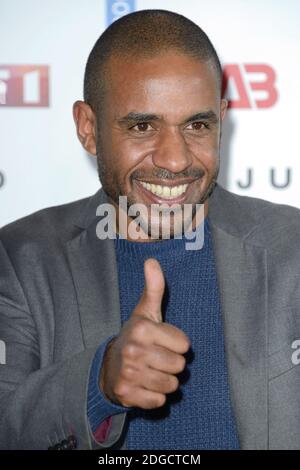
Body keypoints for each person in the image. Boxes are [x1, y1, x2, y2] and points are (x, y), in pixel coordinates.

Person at [0, 9, 300, 451]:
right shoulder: (21, 259)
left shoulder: (290, 247)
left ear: (221, 118)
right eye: (143, 126)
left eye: (197, 125)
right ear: (89, 128)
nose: (176, 159)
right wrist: (97, 384)